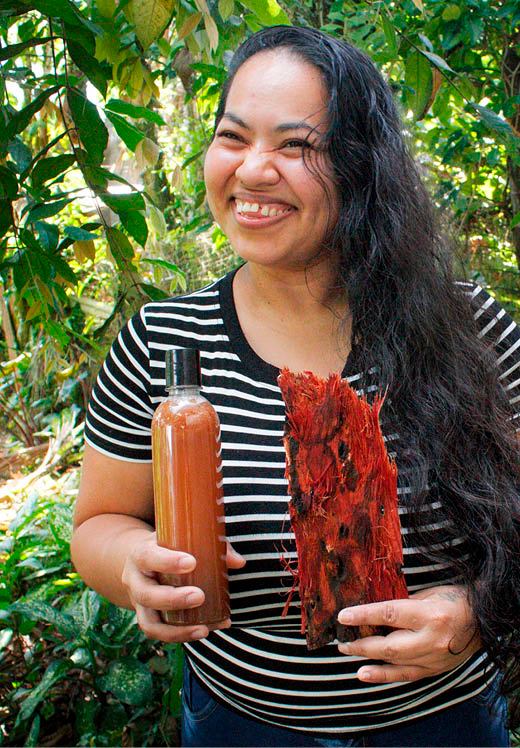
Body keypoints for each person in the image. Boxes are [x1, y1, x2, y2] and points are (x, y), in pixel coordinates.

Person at [71, 25, 520, 748]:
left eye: (296, 146)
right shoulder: (163, 342)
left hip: (443, 724)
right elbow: (99, 524)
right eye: (232, 136)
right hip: (242, 727)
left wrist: (478, 612)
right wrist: (132, 566)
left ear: (361, 166)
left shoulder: (469, 328)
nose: (252, 170)